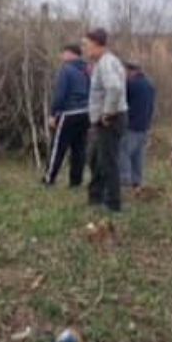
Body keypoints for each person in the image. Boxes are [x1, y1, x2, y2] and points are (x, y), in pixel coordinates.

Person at [83, 28, 127, 212]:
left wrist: (108, 113)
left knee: (108, 162)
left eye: (86, 45)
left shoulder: (106, 63)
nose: (84, 49)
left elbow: (115, 88)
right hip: (107, 119)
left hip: (110, 120)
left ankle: (113, 204)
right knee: (99, 160)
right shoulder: (105, 62)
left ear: (96, 45)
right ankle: (98, 197)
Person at [44, 44, 90, 187]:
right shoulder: (87, 70)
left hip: (69, 112)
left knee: (58, 147)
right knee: (79, 148)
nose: (61, 57)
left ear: (71, 54)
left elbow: (60, 94)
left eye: (63, 53)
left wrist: (53, 114)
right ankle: (76, 181)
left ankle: (49, 178)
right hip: (86, 112)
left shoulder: (66, 70)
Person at [119, 63, 156, 188]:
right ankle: (137, 182)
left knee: (123, 153)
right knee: (138, 156)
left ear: (131, 71)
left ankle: (125, 181)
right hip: (145, 126)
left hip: (131, 126)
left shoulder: (130, 85)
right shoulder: (149, 84)